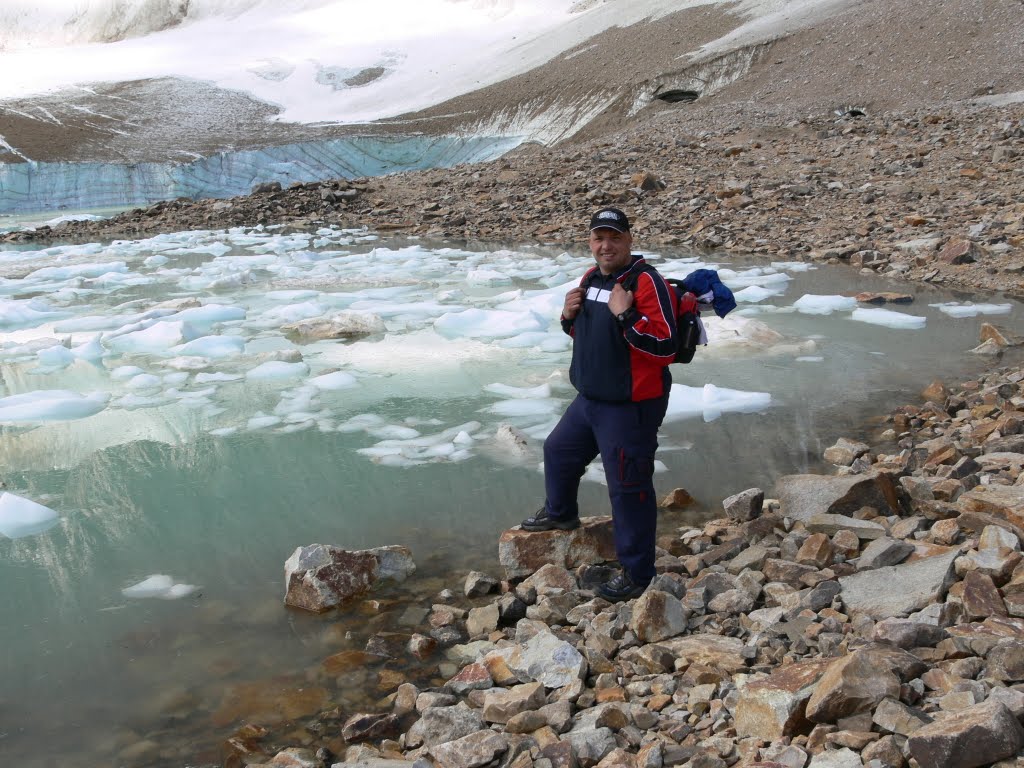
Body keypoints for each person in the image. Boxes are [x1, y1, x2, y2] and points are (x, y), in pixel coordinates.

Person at [521, 207, 678, 602]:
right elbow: (586, 333)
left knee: (628, 487)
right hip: (591, 397)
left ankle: (637, 573)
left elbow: (666, 346)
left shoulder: (646, 283)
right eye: (598, 238)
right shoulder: (591, 278)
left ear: (629, 240)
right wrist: (566, 316)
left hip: (631, 404)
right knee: (558, 451)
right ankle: (561, 513)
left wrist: (627, 316)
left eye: (614, 237)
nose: (605, 245)